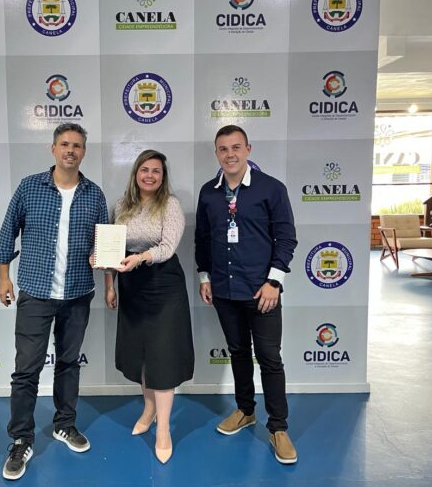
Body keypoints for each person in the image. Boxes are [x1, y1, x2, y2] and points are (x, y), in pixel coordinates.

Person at [0, 122, 108, 481]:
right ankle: (20, 439)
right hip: (35, 292)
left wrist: (106, 271)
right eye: (64, 144)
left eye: (77, 145)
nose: (70, 150)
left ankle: (64, 425)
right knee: (26, 370)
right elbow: (7, 232)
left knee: (69, 363)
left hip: (77, 293)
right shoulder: (30, 187)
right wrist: (3, 277)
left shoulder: (94, 194)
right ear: (53, 149)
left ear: (84, 151)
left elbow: (103, 243)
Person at [194, 125, 298, 464]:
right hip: (224, 290)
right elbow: (202, 239)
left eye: (236, 147)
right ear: (216, 154)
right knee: (238, 352)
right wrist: (205, 276)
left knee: (269, 358)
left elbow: (286, 237)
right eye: (223, 149)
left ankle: (278, 428)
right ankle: (245, 410)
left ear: (248, 149)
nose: (230, 154)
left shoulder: (271, 188)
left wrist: (274, 282)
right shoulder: (209, 192)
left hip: (261, 291)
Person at [103, 149, 194, 464]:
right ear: (136, 173)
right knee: (141, 352)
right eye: (145, 170)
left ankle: (164, 429)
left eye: (156, 171)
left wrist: (140, 257)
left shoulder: (171, 205)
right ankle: (149, 409)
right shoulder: (121, 205)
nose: (150, 176)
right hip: (131, 285)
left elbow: (167, 247)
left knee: (163, 356)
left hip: (164, 284)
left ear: (163, 176)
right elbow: (113, 248)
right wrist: (110, 284)